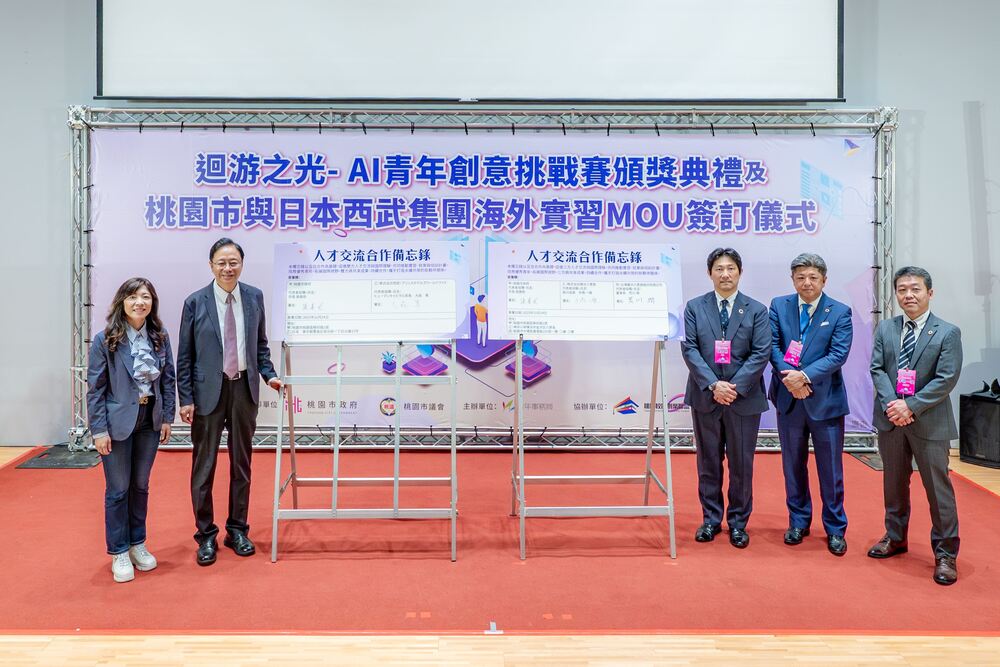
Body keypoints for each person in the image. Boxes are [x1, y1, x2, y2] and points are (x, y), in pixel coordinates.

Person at [176, 238, 282, 566]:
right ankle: (206, 535)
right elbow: (185, 356)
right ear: (211, 265)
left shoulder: (254, 297)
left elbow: (260, 346)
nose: (227, 268)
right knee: (204, 467)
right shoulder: (195, 302)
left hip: (243, 391)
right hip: (207, 393)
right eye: (221, 262)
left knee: (241, 465)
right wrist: (186, 398)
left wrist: (269, 375)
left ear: (242, 264)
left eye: (233, 262)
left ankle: (237, 530)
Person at [868, 266, 962, 585]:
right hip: (892, 420)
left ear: (929, 293)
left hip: (930, 422)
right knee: (894, 483)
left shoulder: (947, 332)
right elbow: (877, 369)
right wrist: (893, 405)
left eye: (915, 289)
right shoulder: (886, 328)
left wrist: (911, 405)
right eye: (902, 289)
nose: (908, 295)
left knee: (938, 489)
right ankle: (895, 537)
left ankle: (946, 553)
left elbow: (946, 378)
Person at [87, 278, 175, 583]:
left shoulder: (160, 337)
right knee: (118, 489)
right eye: (133, 297)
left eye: (146, 297)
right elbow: (96, 389)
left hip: (149, 420)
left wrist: (167, 417)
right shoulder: (105, 340)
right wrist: (99, 430)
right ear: (122, 302)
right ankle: (119, 551)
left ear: (152, 303)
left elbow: (168, 380)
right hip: (117, 423)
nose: (140, 302)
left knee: (140, 486)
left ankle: (138, 543)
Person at [681, 248, 770, 549]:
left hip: (742, 399)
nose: (725, 274)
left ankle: (738, 523)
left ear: (740, 272)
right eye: (719, 269)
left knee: (741, 463)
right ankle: (710, 519)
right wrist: (713, 385)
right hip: (706, 397)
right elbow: (690, 349)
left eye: (731, 268)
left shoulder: (756, 309)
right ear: (710, 273)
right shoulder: (695, 307)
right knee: (708, 461)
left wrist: (733, 387)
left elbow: (761, 353)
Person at [768, 253, 853, 556]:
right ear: (793, 279)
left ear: (824, 280)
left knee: (830, 469)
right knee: (792, 466)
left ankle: (835, 528)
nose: (807, 282)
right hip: (788, 399)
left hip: (825, 402)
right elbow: (772, 345)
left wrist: (803, 377)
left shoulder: (840, 311)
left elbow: (838, 354)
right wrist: (790, 379)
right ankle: (798, 522)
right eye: (800, 277)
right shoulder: (779, 305)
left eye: (813, 277)